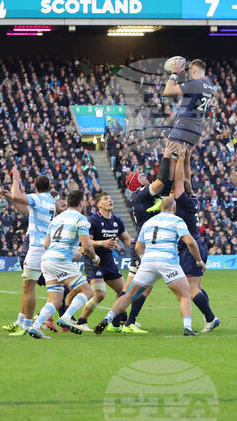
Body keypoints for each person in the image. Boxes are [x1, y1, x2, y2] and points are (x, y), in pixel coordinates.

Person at [94, 195, 205, 336]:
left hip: (148, 262)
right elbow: (190, 242)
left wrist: (144, 259)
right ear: (174, 208)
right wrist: (199, 261)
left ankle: (107, 318)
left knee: (130, 295)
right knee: (184, 295)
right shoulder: (177, 220)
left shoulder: (149, 222)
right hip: (167, 261)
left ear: (160, 208)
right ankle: (188, 328)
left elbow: (138, 246)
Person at [119, 141, 180, 333]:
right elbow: (162, 180)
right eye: (143, 176)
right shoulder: (141, 194)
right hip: (145, 244)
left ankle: (117, 321)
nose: (147, 177)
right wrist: (166, 156)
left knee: (132, 285)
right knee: (143, 286)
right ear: (137, 183)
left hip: (145, 241)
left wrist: (176, 159)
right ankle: (127, 322)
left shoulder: (144, 196)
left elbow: (168, 179)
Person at [28, 190, 98, 338]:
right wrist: (95, 258)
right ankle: (66, 317)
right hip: (60, 260)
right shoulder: (81, 219)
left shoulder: (56, 219)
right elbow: (87, 246)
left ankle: (35, 326)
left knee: (56, 300)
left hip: (46, 260)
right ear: (81, 203)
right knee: (88, 291)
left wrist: (71, 251)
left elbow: (47, 244)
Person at [2, 168, 56, 335]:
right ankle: (21, 321)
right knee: (28, 286)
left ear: (34, 185)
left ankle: (26, 324)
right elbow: (25, 209)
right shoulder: (49, 200)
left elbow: (20, 197)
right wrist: (11, 199)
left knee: (29, 286)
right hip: (45, 247)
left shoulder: (38, 198)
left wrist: (16, 181)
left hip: (37, 248)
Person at [71, 193, 133, 332]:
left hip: (109, 262)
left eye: (110, 198)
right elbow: (86, 241)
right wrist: (102, 243)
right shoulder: (92, 221)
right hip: (94, 261)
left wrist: (140, 247)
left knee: (124, 291)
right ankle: (81, 321)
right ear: (99, 205)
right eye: (106, 199)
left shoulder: (117, 221)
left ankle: (118, 321)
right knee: (99, 294)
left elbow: (127, 240)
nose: (110, 200)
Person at [173, 156, 220, 331]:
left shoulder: (182, 202)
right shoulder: (191, 199)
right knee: (197, 286)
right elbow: (185, 180)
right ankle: (210, 317)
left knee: (191, 288)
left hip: (190, 248)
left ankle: (210, 317)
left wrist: (178, 159)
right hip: (198, 245)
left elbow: (180, 180)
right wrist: (186, 156)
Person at [163, 58, 215, 172]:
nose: (190, 75)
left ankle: (170, 187)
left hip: (184, 127)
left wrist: (174, 73)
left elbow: (167, 91)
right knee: (183, 161)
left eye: (190, 72)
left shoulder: (196, 84)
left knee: (170, 159)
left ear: (194, 71)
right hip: (195, 130)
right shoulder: (209, 84)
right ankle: (187, 187)